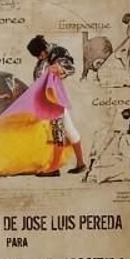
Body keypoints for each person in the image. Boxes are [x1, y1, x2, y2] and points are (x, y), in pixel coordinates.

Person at [26, 35, 86, 175]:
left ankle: (54, 168)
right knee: (68, 129)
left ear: (44, 48)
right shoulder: (46, 56)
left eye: (39, 54)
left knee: (57, 131)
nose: (38, 58)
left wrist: (57, 68)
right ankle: (81, 163)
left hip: (53, 99)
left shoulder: (57, 53)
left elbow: (71, 68)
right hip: (49, 98)